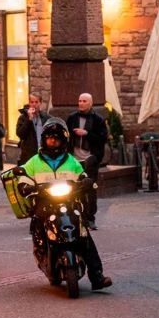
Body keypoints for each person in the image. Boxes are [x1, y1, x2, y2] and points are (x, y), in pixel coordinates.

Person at [19, 118, 113, 290]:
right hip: (44, 203)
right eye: (49, 138)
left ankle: (97, 277)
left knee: (84, 236)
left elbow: (81, 174)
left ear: (63, 140)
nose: (52, 141)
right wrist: (24, 184)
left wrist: (85, 181)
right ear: (44, 140)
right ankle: (42, 252)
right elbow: (24, 174)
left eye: (56, 138)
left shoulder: (71, 160)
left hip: (68, 203)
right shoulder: (35, 161)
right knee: (39, 224)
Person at [66, 92, 109, 230]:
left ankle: (90, 218)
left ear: (90, 103)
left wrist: (87, 134)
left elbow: (103, 138)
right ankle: (75, 217)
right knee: (72, 189)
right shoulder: (72, 118)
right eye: (79, 100)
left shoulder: (98, 119)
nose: (81, 103)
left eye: (84, 101)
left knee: (90, 190)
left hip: (89, 160)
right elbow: (65, 135)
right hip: (74, 159)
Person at [16, 93, 51, 165]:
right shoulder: (23, 118)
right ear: (29, 103)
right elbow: (20, 134)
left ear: (40, 103)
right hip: (29, 155)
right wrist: (29, 119)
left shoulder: (45, 117)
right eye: (32, 102)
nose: (34, 104)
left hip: (43, 154)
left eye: (36, 102)